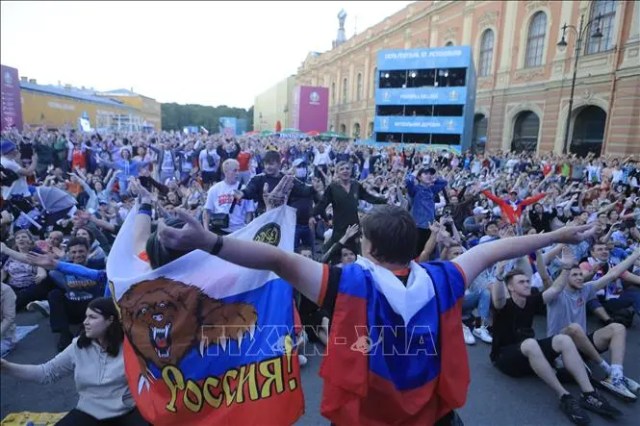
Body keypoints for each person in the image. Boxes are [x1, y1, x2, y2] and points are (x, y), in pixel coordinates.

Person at [154, 183, 601, 425]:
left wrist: (209, 240)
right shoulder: (444, 278)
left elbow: (274, 257)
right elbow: (495, 249)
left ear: (367, 246)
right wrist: (561, 235)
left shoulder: (348, 284)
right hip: (433, 415)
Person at [490, 267, 622, 424]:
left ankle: (589, 394)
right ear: (510, 287)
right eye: (521, 282)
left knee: (562, 339)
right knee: (531, 343)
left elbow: (556, 289)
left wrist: (565, 268)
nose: (526, 284)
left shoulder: (531, 300)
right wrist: (499, 276)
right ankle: (564, 396)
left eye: (527, 281)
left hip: (528, 353)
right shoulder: (504, 304)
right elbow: (498, 300)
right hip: (505, 357)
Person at [0, 297, 148, 425]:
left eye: (92, 317)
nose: (85, 322)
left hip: (127, 412)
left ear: (110, 320)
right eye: (85, 317)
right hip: (89, 412)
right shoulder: (78, 346)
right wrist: (6, 367)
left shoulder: (132, 347)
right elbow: (46, 372)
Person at [545, 248, 640, 401]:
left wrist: (635, 254)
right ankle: (607, 369)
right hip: (560, 346)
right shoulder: (556, 294)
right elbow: (545, 278)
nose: (579, 278)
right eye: (574, 275)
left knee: (618, 327)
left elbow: (613, 274)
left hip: (582, 344)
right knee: (574, 328)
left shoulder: (586, 289)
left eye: (580, 274)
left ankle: (615, 376)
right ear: (564, 278)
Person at [202, 159, 254, 234]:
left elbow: (249, 212)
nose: (237, 173)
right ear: (225, 171)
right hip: (219, 229)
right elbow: (207, 211)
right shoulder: (215, 189)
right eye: (234, 170)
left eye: (238, 170)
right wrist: (206, 231)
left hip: (239, 230)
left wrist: (247, 230)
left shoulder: (244, 190)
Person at [405, 167, 448, 256]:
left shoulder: (432, 189)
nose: (429, 176)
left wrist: (434, 179)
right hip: (418, 225)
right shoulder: (415, 189)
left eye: (430, 174)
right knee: (416, 252)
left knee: (429, 251)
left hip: (430, 226)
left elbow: (444, 182)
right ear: (419, 177)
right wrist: (415, 172)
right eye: (425, 174)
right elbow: (408, 181)